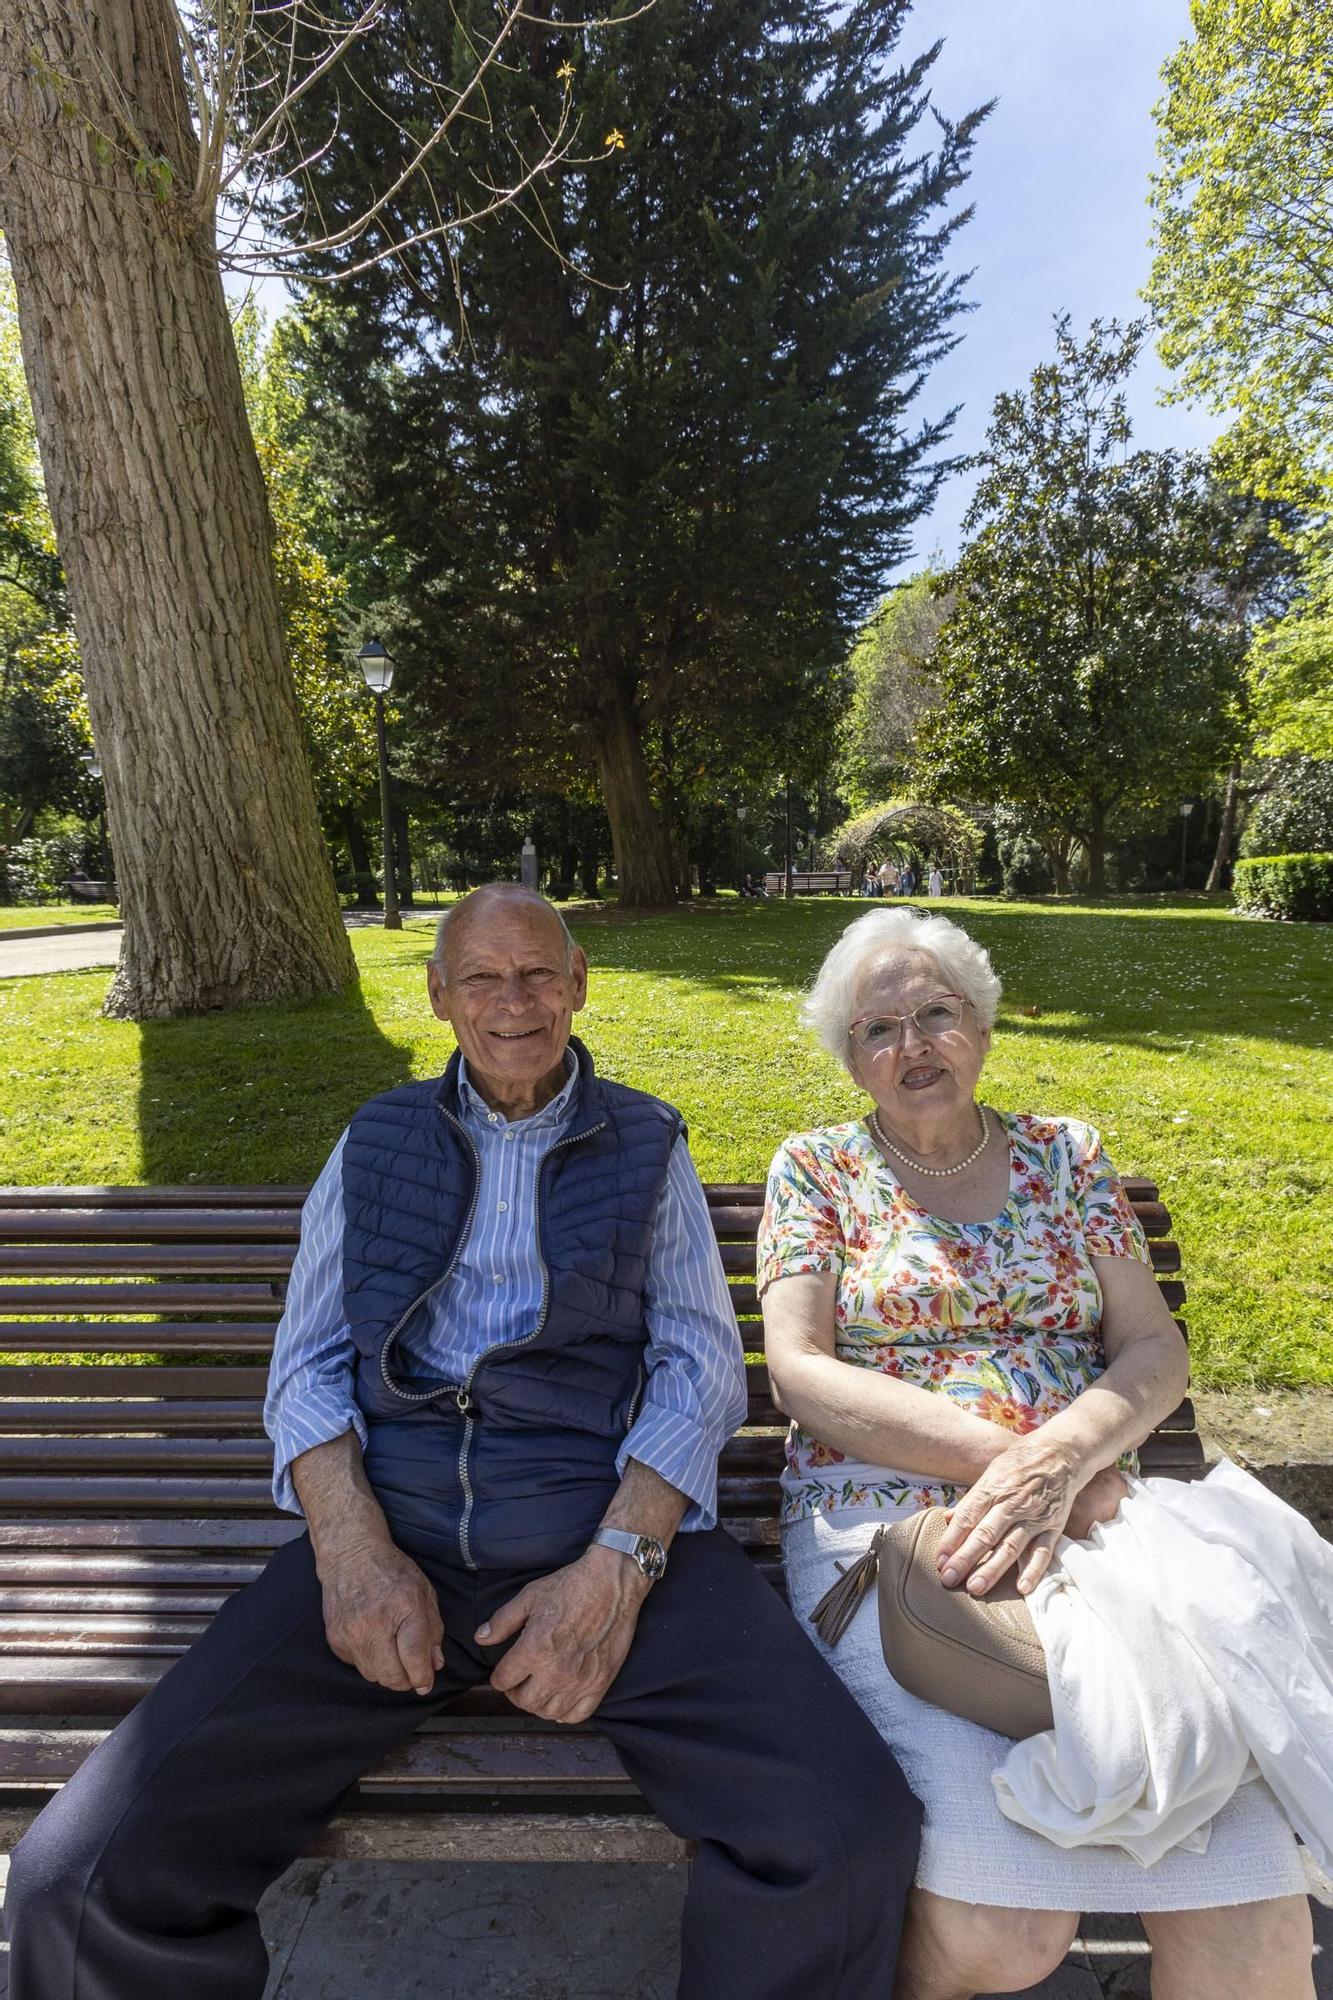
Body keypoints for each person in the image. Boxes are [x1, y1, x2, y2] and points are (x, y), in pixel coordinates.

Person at [5, 885, 922, 2000]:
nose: (513, 1001)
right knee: (81, 1875)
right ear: (438, 994)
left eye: (537, 972)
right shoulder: (375, 1138)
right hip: (392, 1536)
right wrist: (348, 1550)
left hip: (602, 1532)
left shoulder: (644, 1138)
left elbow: (698, 1365)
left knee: (846, 1828)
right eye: (482, 977)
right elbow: (304, 1365)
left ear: (578, 980)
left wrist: (618, 1566)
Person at [758, 905, 1313, 2000]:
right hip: (898, 1532)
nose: (912, 1045)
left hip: (1098, 1521)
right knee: (1000, 1928)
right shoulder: (816, 1169)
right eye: (879, 1028)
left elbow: (1152, 1342)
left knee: (1249, 1906)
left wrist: (1060, 1464)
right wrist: (1015, 1466)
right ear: (849, 1054)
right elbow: (801, 1371)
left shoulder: (1067, 1155)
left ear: (983, 1027)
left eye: (935, 1013)